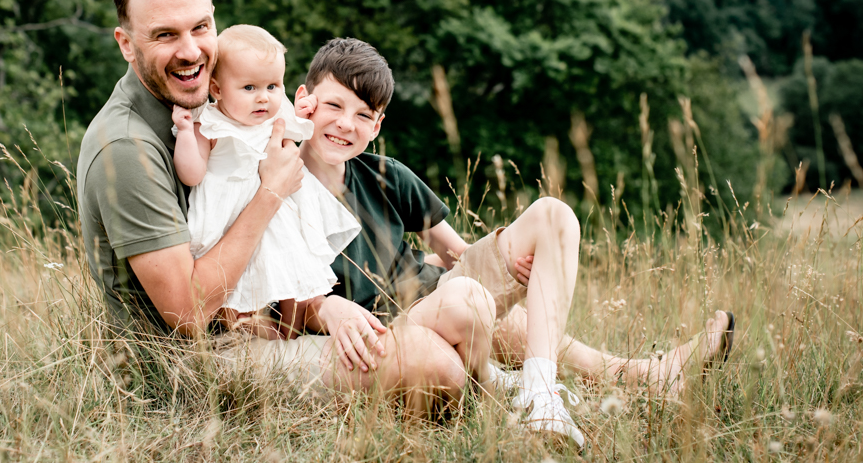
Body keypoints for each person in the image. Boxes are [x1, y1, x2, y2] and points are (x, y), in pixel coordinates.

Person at [78, 0, 476, 414]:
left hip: (269, 313)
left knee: (489, 322)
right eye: (165, 35)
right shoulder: (127, 147)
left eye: (201, 27)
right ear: (126, 44)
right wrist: (271, 192)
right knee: (437, 365)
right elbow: (187, 314)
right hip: (197, 361)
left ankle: (539, 382)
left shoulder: (216, 96)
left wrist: (323, 307)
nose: (190, 51)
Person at [292, 38, 736, 447]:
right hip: (397, 323)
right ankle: (619, 377)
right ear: (304, 101)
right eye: (334, 105)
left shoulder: (387, 174)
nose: (346, 124)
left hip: (436, 291)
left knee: (552, 216)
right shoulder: (278, 184)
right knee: (468, 299)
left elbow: (457, 254)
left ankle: (563, 389)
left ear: (378, 124)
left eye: (364, 115)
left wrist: (510, 269)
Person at [170, 24, 360, 338]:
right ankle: (246, 327)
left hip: (279, 211)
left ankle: (292, 329)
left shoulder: (273, 115)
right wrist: (187, 133)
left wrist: (302, 112)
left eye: (273, 86)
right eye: (249, 88)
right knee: (235, 282)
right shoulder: (210, 124)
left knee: (293, 265)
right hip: (229, 218)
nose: (264, 98)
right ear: (217, 89)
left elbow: (298, 130)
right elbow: (192, 173)